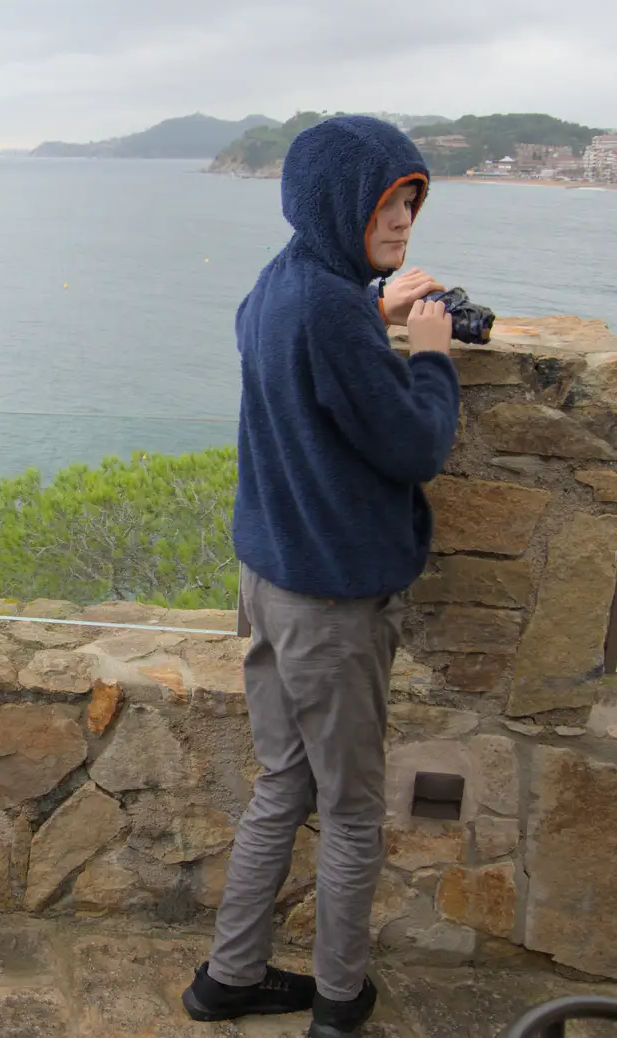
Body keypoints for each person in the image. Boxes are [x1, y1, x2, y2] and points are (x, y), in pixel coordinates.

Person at [181, 117, 460, 1036]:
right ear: (341, 202)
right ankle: (340, 1003)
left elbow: (279, 344)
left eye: (412, 201)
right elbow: (415, 446)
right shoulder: (334, 307)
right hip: (333, 603)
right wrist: (431, 358)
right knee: (347, 812)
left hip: (269, 580)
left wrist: (370, 304)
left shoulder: (280, 283)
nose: (404, 220)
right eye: (388, 202)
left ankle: (230, 978)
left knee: (282, 785)